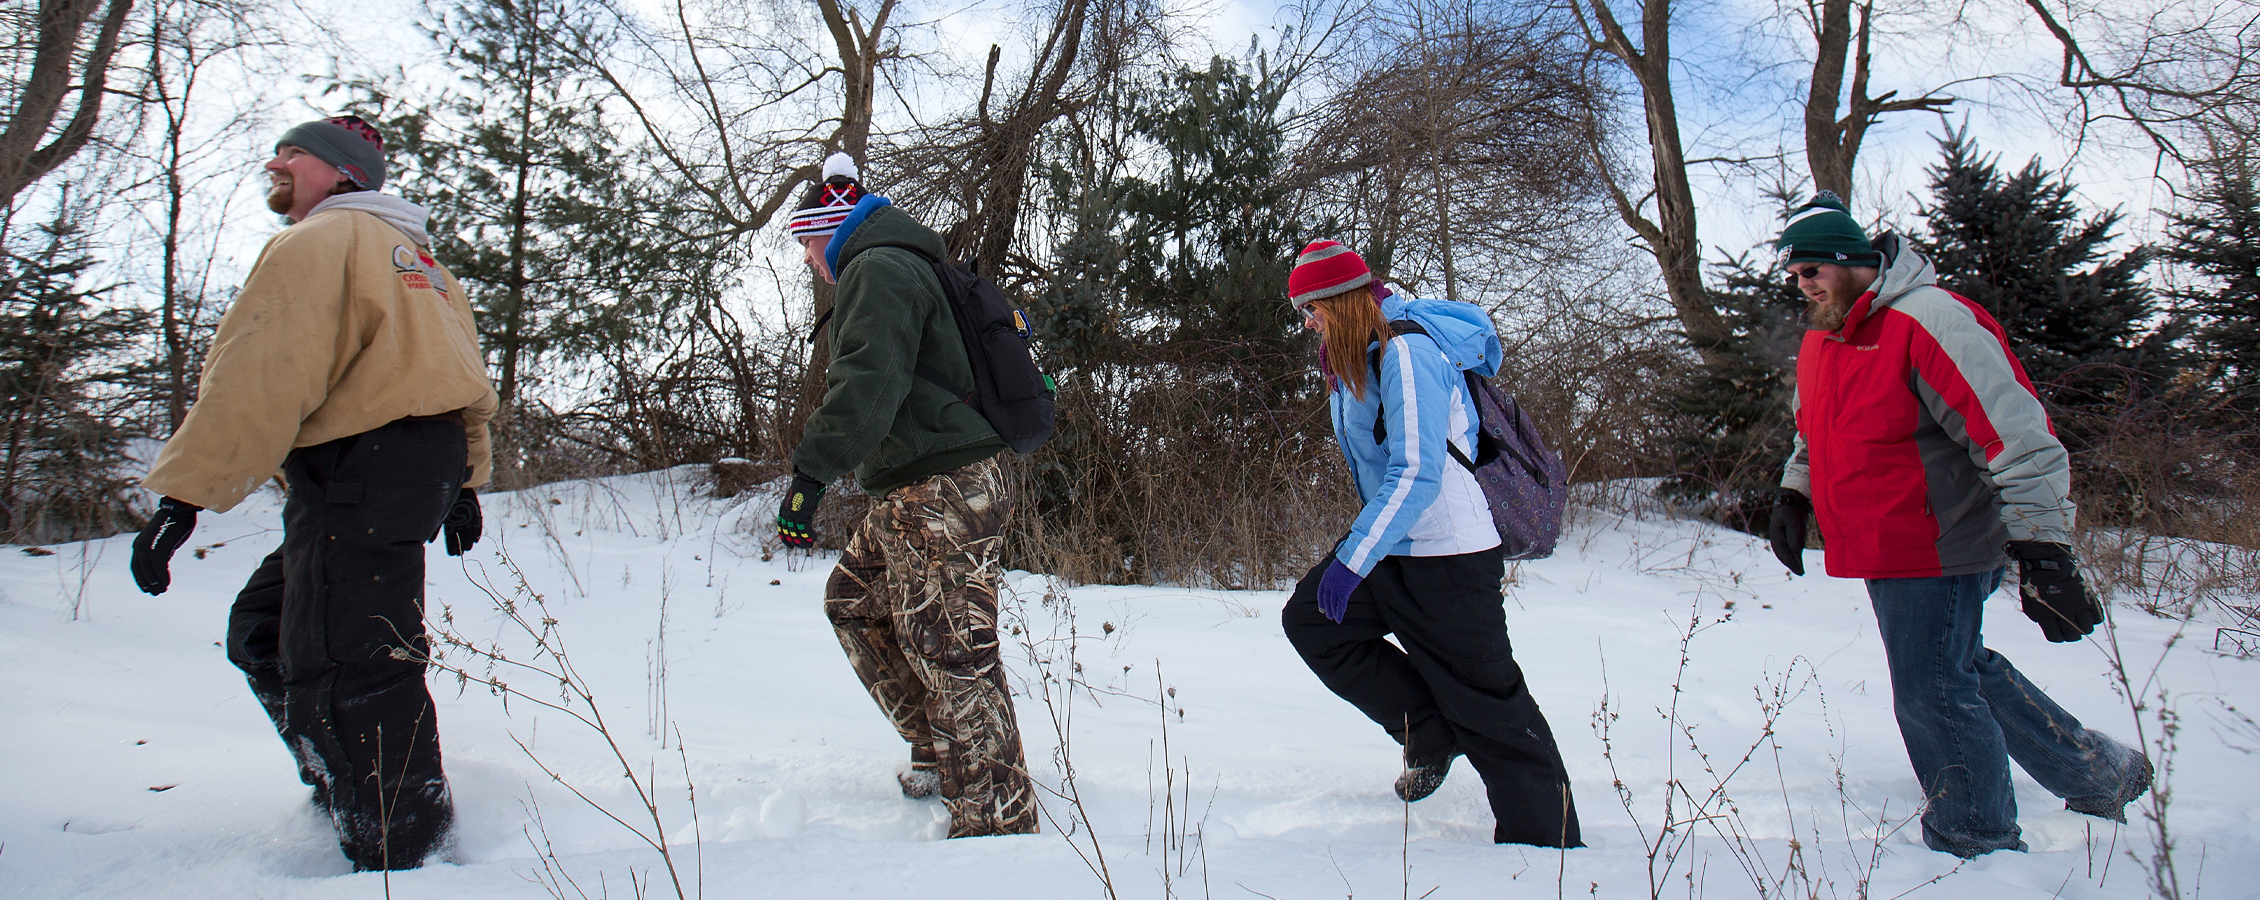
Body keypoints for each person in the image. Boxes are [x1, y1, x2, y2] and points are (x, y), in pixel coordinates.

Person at [130, 115, 498, 871]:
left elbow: (259, 373)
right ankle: (342, 784)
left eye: (292, 154)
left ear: (339, 173)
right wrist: (462, 483)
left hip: (360, 466)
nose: (276, 162)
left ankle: (403, 855)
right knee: (265, 627)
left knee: (349, 659)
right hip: (407, 468)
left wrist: (183, 499)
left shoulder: (320, 244)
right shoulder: (422, 265)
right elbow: (463, 382)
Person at [1764, 192, 2151, 857]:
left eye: (1812, 269)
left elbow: (2017, 437)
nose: (1804, 284)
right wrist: (1794, 498)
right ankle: (2098, 771)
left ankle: (1977, 838)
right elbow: (1813, 435)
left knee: (1933, 689)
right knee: (1959, 667)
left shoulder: (1930, 321)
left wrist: (2046, 550)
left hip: (1936, 540)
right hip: (1882, 541)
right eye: (1795, 275)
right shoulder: (1825, 340)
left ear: (1851, 259)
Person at [1278, 240, 1582, 848]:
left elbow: (1417, 472)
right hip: (1398, 544)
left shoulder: (1407, 353)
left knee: (1489, 702)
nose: (1308, 322)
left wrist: (1351, 560)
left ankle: (1547, 846)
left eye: (1313, 308)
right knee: (1314, 622)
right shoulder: (1355, 353)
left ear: (1342, 300)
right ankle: (1430, 734)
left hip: (1449, 552)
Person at [774, 152, 1036, 838]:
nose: (806, 259)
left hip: (945, 486)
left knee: (953, 648)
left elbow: (867, 384)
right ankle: (940, 747)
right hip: (917, 486)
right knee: (855, 601)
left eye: (806, 242)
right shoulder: (889, 263)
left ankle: (996, 823)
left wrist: (810, 475)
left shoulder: (878, 267)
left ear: (832, 228)